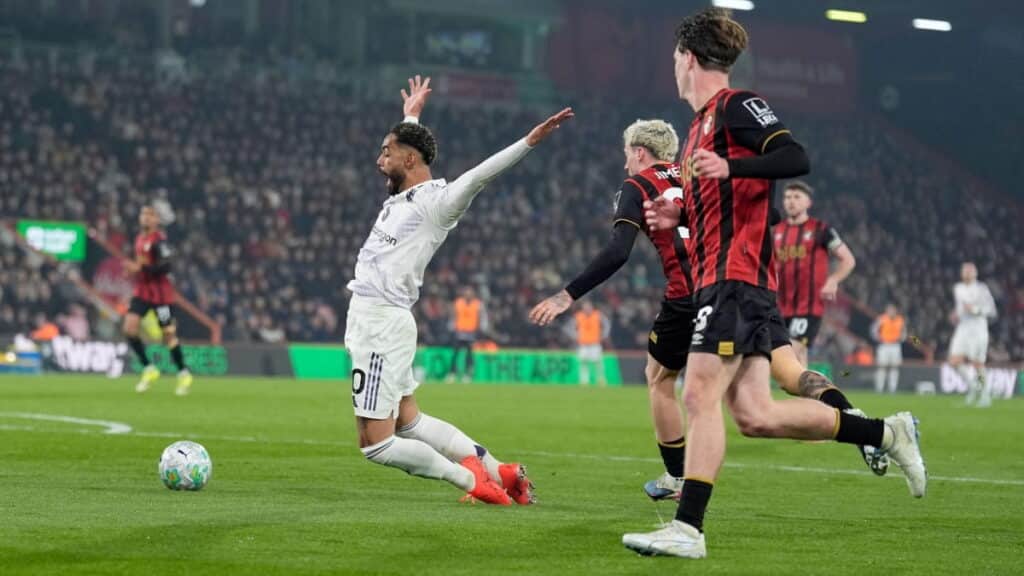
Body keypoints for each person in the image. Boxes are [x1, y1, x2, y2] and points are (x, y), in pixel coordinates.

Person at [621, 8, 926, 559]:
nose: (672, 67)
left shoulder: (737, 106)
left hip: (735, 279)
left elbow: (794, 156)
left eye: (674, 58)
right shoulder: (694, 129)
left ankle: (688, 529)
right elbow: (716, 200)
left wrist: (731, 169)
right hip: (729, 279)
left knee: (697, 392)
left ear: (688, 58)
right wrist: (679, 215)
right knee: (755, 416)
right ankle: (886, 433)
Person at [529, 119, 884, 506]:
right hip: (746, 286)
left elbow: (618, 251)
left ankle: (677, 476)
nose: (625, 163)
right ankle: (860, 424)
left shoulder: (636, 186)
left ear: (638, 152)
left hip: (691, 295)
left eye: (626, 154)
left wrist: (568, 295)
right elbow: (771, 218)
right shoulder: (698, 174)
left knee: (661, 378)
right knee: (791, 374)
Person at [344, 75, 572, 505]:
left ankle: (473, 483)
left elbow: (480, 175)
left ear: (409, 159)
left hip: (380, 323)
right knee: (409, 423)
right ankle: (502, 473)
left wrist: (528, 141)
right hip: (376, 321)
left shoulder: (438, 203)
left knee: (375, 443)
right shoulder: (401, 195)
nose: (379, 160)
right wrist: (411, 115)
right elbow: (407, 146)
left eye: (385, 152)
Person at [774, 180, 856, 366]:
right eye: (787, 197)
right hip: (780, 307)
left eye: (796, 197)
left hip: (807, 307)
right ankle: (811, 394)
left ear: (808, 202)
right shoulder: (777, 231)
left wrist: (834, 279)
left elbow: (848, 259)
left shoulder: (821, 230)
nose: (791, 201)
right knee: (798, 359)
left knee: (793, 353)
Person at [124, 205, 192, 396]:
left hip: (160, 295)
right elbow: (141, 265)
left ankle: (183, 372)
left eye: (150, 215)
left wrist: (141, 269)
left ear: (157, 220)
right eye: (143, 213)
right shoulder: (139, 239)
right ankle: (148, 368)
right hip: (142, 292)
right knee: (129, 328)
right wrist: (133, 269)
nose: (145, 217)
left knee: (168, 334)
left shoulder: (159, 241)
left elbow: (166, 266)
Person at [948, 262, 997, 407]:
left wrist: (975, 310)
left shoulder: (981, 289)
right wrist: (955, 315)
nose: (967, 273)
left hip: (978, 329)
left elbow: (992, 310)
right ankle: (973, 387)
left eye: (970, 271)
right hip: (962, 328)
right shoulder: (958, 288)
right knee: (954, 361)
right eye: (965, 271)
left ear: (975, 273)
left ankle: (985, 395)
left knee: (977, 364)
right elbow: (960, 308)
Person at [447, 286, 485, 383]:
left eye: (470, 292)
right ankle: (452, 373)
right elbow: (453, 316)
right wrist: (452, 327)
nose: (468, 294)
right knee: (455, 354)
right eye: (466, 292)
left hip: (471, 333)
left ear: (473, 294)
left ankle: (467, 374)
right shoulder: (458, 303)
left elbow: (482, 318)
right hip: (459, 332)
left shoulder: (478, 304)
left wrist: (481, 330)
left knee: (469, 355)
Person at [567, 300, 610, 386]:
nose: (587, 309)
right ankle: (584, 381)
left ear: (592, 307)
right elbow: (570, 327)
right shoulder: (578, 316)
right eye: (585, 307)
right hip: (583, 344)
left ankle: (601, 380)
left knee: (597, 363)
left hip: (595, 343)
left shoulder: (598, 315)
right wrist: (575, 336)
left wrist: (604, 335)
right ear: (583, 308)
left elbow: (607, 325)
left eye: (588, 307)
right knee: (583, 363)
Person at [871, 304, 906, 394]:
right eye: (889, 310)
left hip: (895, 345)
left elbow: (904, 332)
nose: (891, 312)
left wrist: (901, 338)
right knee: (882, 367)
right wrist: (878, 338)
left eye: (893, 310)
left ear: (896, 311)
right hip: (884, 345)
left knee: (894, 367)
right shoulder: (882, 318)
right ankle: (879, 388)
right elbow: (874, 330)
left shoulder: (900, 320)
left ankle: (892, 389)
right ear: (886, 311)